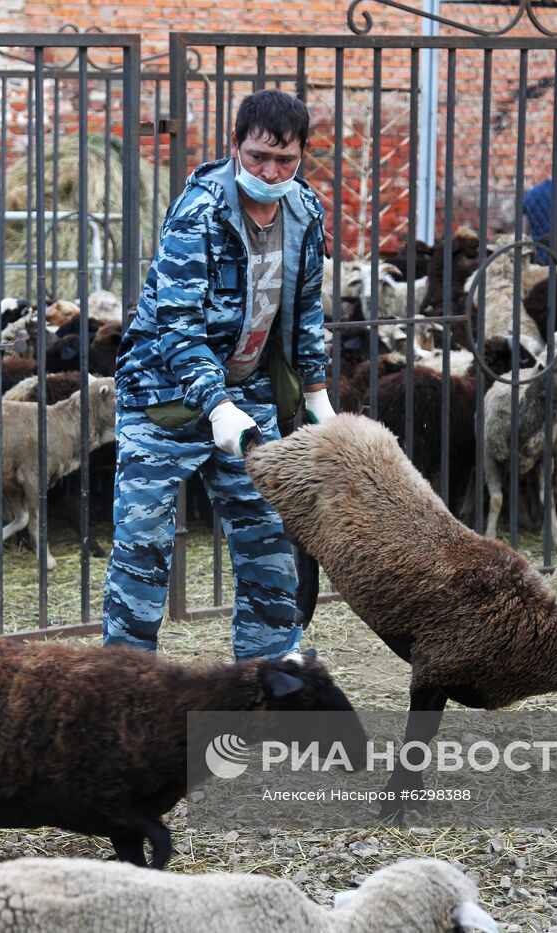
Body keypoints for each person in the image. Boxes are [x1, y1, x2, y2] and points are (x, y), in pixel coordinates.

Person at [102, 89, 332, 661]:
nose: (270, 171)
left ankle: (272, 676)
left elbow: (304, 310)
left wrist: (318, 393)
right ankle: (123, 689)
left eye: (285, 160)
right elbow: (177, 326)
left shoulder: (305, 213)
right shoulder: (198, 212)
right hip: (163, 394)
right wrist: (214, 404)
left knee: (269, 538)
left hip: (248, 392)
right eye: (258, 156)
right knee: (144, 549)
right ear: (235, 145)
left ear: (302, 155)